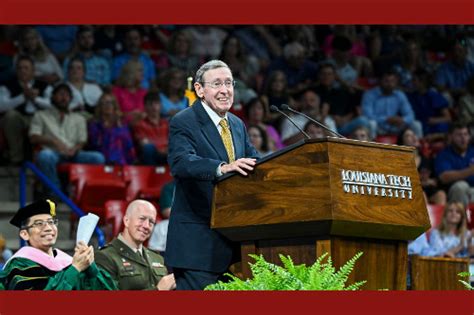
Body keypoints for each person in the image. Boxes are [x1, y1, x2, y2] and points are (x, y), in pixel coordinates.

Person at [165, 60, 259, 290]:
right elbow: (181, 163)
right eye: (217, 84)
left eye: (229, 83)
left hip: (233, 244)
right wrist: (222, 167)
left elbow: (256, 162)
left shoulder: (237, 124)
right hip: (197, 247)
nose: (225, 90)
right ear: (199, 89)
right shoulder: (184, 121)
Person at [0, 199, 116, 290]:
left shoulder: (67, 261)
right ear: (25, 234)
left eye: (51, 222)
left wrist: (91, 268)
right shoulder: (20, 266)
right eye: (39, 223)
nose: (48, 228)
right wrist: (75, 269)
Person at [30, 83, 105, 197]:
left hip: (73, 153)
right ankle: (55, 193)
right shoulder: (41, 115)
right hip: (53, 152)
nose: (64, 97)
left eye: (67, 95)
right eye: (60, 94)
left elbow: (82, 140)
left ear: (70, 98)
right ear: (53, 97)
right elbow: (33, 137)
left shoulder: (79, 118)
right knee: (45, 156)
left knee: (98, 158)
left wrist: (75, 149)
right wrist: (53, 141)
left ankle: (84, 193)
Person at [95, 199, 176, 290]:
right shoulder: (105, 256)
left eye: (151, 222)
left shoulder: (158, 258)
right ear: (126, 221)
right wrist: (158, 290)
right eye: (142, 219)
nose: (146, 226)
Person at [0, 55, 51, 165]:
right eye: (19, 68)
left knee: (47, 117)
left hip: (38, 117)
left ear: (33, 71)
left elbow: (53, 105)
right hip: (20, 118)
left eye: (26, 68)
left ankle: (42, 158)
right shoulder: (7, 85)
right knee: (10, 116)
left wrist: (35, 99)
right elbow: (1, 106)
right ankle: (16, 158)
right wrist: (23, 97)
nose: (22, 71)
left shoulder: (44, 85)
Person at [87, 92, 136, 165]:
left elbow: (128, 144)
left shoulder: (121, 123)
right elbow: (95, 143)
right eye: (104, 103)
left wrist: (118, 126)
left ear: (114, 106)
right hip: (102, 156)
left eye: (110, 102)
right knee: (112, 136)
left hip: (122, 158)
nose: (107, 105)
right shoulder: (94, 124)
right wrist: (105, 129)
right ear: (100, 106)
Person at [435, 123, 474, 206]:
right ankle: (461, 218)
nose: (463, 138)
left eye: (465, 134)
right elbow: (444, 177)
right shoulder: (444, 154)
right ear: (451, 137)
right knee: (461, 186)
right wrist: (470, 171)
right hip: (453, 192)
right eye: (459, 135)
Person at [132, 91, 169, 165]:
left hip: (167, 155)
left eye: (156, 103)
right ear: (145, 107)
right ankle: (152, 175)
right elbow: (143, 143)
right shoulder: (140, 124)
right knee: (148, 148)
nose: (153, 107)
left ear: (161, 106)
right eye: (150, 104)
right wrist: (161, 149)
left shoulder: (167, 124)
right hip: (152, 155)